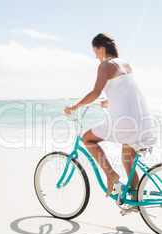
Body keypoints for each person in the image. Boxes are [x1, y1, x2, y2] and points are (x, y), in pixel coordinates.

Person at [64, 33, 156, 201]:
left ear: (102, 48)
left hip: (125, 123)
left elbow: (95, 93)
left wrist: (75, 106)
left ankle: (111, 175)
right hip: (143, 121)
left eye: (95, 52)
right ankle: (135, 203)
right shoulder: (125, 64)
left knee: (87, 139)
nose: (96, 56)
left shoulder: (106, 65)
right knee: (127, 159)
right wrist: (109, 101)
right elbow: (126, 91)